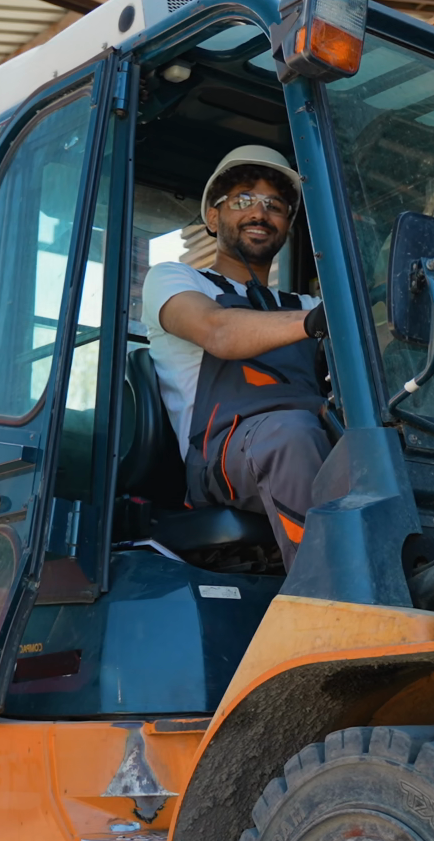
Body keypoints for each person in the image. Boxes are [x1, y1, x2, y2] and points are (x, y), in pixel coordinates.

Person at [140, 145, 331, 569]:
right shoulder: (177, 280)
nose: (260, 213)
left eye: (275, 205)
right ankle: (330, 590)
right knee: (291, 435)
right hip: (219, 458)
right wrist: (316, 321)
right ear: (213, 217)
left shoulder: (303, 304)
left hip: (307, 440)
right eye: (243, 200)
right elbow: (219, 331)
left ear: (287, 225)